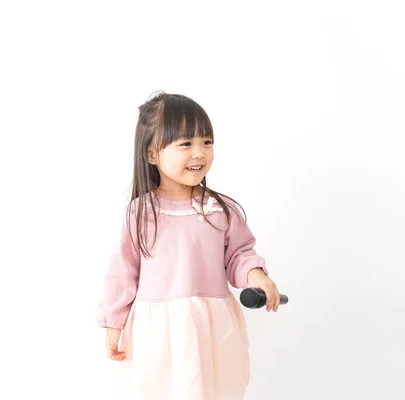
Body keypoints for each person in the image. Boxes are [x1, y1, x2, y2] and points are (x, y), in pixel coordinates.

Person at [96, 92, 282, 400]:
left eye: (206, 142)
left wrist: (256, 275)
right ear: (152, 153)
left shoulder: (220, 210)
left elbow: (239, 254)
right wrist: (114, 323)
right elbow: (123, 273)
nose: (199, 153)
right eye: (186, 144)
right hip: (158, 334)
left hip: (212, 327)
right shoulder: (140, 213)